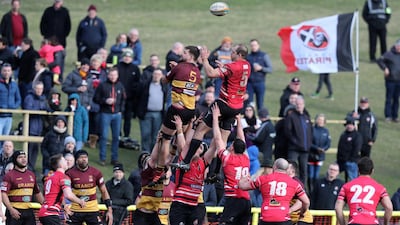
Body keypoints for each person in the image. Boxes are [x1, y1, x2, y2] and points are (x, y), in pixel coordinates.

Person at [174, 44, 251, 170]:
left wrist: (204, 59)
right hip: (237, 107)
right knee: (223, 138)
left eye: (233, 52)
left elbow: (210, 73)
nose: (231, 54)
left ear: (239, 55)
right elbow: (235, 75)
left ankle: (186, 162)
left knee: (200, 130)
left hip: (224, 103)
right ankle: (215, 172)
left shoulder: (232, 66)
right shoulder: (247, 65)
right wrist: (225, 69)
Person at [168, 105, 218, 225]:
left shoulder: (203, 162)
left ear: (202, 151)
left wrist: (217, 121)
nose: (196, 148)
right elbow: (188, 143)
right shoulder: (186, 159)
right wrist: (193, 126)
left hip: (194, 206)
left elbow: (214, 145)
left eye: (199, 147)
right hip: (179, 206)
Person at [157, 45, 201, 169]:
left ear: (191, 56)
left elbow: (164, 81)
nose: (182, 54)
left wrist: (172, 70)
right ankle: (174, 160)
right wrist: (176, 69)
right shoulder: (197, 71)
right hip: (190, 110)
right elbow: (185, 79)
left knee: (165, 138)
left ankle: (160, 169)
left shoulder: (179, 67)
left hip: (177, 108)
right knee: (179, 137)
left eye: (185, 53)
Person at [238, 158, 310, 225]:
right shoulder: (294, 183)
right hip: (283, 218)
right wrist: (301, 213)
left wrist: (244, 178)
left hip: (266, 217)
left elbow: (242, 186)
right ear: (286, 169)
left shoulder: (263, 179)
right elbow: (306, 202)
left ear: (274, 167)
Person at [216, 113, 251, 225]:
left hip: (234, 199)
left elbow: (218, 139)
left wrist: (215, 120)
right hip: (246, 200)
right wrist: (239, 120)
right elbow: (241, 138)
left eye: (231, 145)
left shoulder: (228, 159)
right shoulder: (246, 158)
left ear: (233, 148)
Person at [335, 157, 393, 225]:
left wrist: (343, 223)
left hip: (354, 222)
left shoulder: (346, 186)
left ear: (358, 170)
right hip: (372, 222)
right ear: (372, 171)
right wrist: (386, 223)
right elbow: (389, 208)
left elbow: (338, 207)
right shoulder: (379, 188)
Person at [66, 150, 113, 225]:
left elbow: (104, 191)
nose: (84, 159)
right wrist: (65, 206)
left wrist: (109, 210)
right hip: (75, 211)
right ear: (76, 160)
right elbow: (64, 192)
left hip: (92, 210)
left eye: (85, 157)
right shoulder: (69, 174)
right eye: (81, 157)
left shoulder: (96, 172)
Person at [38, 154, 86, 225]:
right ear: (60, 164)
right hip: (50, 213)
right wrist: (80, 201)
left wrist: (64, 206)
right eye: (64, 160)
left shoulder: (50, 177)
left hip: (44, 212)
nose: (67, 162)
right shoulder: (63, 177)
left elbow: (56, 194)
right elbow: (68, 195)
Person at [93, 67, 126, 166]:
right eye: (111, 75)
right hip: (105, 113)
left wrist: (121, 110)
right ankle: (102, 158)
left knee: (116, 137)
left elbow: (124, 99)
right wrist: (105, 101)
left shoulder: (120, 86)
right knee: (104, 136)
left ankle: (114, 158)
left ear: (117, 75)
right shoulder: (102, 85)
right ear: (108, 75)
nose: (113, 77)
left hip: (117, 115)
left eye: (114, 75)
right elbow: (96, 98)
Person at [1, 150, 44, 225]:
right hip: (15, 211)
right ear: (15, 160)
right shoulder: (9, 175)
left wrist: (45, 205)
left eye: (25, 157)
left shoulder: (31, 174)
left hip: (29, 211)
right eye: (20, 157)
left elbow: (37, 192)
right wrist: (11, 209)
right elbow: (3, 194)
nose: (23, 159)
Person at [137, 69, 167, 153]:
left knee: (155, 136)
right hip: (146, 113)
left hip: (158, 115)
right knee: (145, 135)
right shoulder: (145, 85)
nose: (156, 76)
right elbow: (138, 98)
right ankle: (145, 154)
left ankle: (153, 154)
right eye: (155, 74)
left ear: (161, 76)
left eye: (158, 74)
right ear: (152, 75)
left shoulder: (163, 86)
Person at [285, 95, 312, 184]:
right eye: (297, 104)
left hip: (305, 150)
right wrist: (296, 142)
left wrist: (308, 144)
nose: (299, 106)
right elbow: (288, 132)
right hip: (294, 149)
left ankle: (302, 189)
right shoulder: (291, 116)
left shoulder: (306, 117)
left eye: (300, 104)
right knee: (291, 168)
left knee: (304, 171)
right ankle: (290, 186)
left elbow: (310, 132)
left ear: (303, 105)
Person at [23, 81, 48, 170]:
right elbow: (27, 109)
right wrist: (40, 109)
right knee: (29, 149)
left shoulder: (43, 98)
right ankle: (27, 167)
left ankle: (32, 167)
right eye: (38, 88)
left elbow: (44, 108)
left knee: (35, 150)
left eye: (41, 89)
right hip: (30, 127)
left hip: (39, 128)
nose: (39, 90)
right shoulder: (29, 97)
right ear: (34, 89)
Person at [116, 49, 141, 140]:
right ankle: (117, 134)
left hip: (130, 98)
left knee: (128, 118)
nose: (127, 58)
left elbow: (138, 82)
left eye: (129, 57)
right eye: (125, 56)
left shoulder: (135, 68)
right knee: (118, 116)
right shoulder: (117, 67)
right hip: (118, 97)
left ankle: (126, 135)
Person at [377, 40, 400, 122]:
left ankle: (395, 116)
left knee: (396, 99)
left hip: (399, 80)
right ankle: (388, 116)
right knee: (389, 98)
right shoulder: (389, 54)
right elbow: (380, 60)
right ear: (396, 46)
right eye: (398, 46)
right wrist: (385, 68)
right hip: (390, 80)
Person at [246, 39, 273, 110]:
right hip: (249, 83)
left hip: (260, 82)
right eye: (252, 45)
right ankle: (250, 119)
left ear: (258, 45)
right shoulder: (248, 57)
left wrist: (261, 68)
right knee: (249, 104)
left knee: (260, 103)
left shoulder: (264, 56)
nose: (253, 47)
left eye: (255, 45)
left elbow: (270, 69)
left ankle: (260, 119)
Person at [307, 113, 331, 192]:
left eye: (322, 120)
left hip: (320, 156)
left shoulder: (326, 131)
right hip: (311, 156)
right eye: (319, 119)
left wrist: (324, 149)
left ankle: (315, 191)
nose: (320, 121)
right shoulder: (312, 129)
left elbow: (328, 143)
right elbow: (309, 141)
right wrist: (316, 148)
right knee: (310, 175)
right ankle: (310, 191)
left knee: (316, 176)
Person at [287, 160, 313, 225]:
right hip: (288, 219)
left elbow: (301, 202)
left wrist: (288, 211)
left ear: (292, 171)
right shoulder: (281, 182)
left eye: (286, 168)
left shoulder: (296, 183)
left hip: (302, 219)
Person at [337, 117, 363, 182]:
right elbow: (340, 147)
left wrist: (350, 159)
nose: (349, 126)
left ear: (354, 125)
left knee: (352, 180)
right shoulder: (343, 135)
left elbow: (356, 149)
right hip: (341, 161)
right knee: (333, 172)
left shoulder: (357, 135)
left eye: (351, 124)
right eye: (348, 124)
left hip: (351, 161)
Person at [0, 63, 21, 144]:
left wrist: (13, 107)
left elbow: (18, 99)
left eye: (8, 71)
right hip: (0, 116)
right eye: (4, 70)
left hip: (9, 116)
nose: (6, 72)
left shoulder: (14, 84)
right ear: (1, 71)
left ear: (11, 72)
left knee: (5, 140)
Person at [16, 38, 40, 104]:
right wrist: (16, 57)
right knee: (22, 98)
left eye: (23, 45)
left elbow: (33, 69)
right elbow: (19, 65)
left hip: (28, 81)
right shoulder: (24, 54)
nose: (21, 47)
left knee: (27, 98)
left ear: (28, 45)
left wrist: (28, 79)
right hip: (22, 80)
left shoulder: (34, 54)